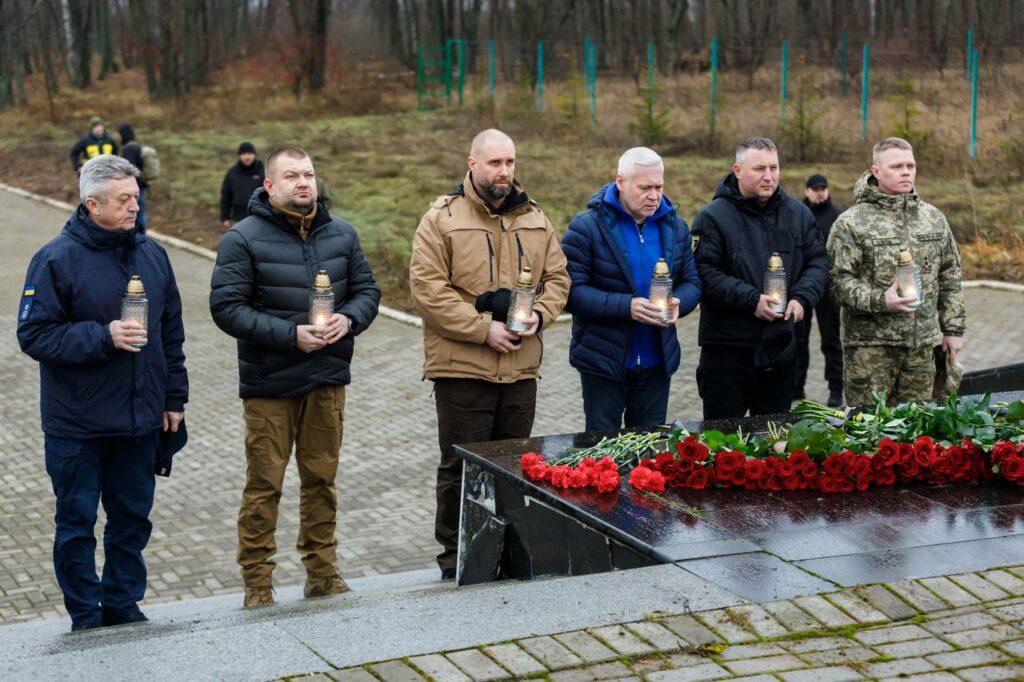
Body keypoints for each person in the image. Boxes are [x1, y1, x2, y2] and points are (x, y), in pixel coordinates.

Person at [17, 155, 188, 632]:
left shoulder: (153, 255)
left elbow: (171, 333)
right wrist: (103, 336)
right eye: (124, 199)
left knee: (132, 521)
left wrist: (175, 399)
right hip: (77, 426)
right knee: (76, 525)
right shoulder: (54, 259)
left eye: (136, 197)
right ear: (92, 204)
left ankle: (123, 605)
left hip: (139, 420)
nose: (136, 205)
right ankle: (85, 616)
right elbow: (33, 335)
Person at [210, 145, 380, 608]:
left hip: (327, 378)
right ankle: (258, 583)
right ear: (269, 186)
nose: (304, 183)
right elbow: (226, 309)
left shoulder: (341, 234)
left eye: (308, 174)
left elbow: (367, 290)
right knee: (264, 485)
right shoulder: (242, 239)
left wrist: (351, 319)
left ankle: (323, 574)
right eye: (291, 176)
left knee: (321, 480)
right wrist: (290, 336)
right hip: (271, 384)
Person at [409, 129, 570, 581]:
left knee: (515, 466)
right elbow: (428, 290)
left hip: (521, 369)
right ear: (472, 163)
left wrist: (539, 315)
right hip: (463, 367)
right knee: (461, 468)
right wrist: (484, 330)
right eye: (495, 163)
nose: (504, 172)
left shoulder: (535, 218)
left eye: (510, 163)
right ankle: (457, 559)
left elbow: (558, 279)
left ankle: (511, 556)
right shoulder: (440, 219)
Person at [561, 147, 701, 431]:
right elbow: (571, 293)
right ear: (621, 182)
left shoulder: (676, 227)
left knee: (648, 456)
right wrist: (627, 307)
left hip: (657, 362)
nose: (654, 195)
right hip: (603, 362)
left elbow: (693, 283)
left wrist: (679, 303)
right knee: (603, 454)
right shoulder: (586, 227)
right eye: (645, 187)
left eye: (659, 186)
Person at [691, 137, 829, 419]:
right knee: (724, 445)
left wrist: (802, 298)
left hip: (781, 348)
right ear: (738, 170)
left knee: (774, 444)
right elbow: (705, 272)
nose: (768, 176)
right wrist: (751, 300)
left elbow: (818, 262)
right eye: (759, 169)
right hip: (727, 352)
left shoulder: (798, 215)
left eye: (774, 168)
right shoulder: (712, 218)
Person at [827, 137, 966, 406]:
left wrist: (953, 329)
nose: (906, 171)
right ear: (876, 172)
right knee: (868, 431)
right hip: (871, 349)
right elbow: (837, 282)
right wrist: (882, 300)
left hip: (921, 348)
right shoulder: (852, 223)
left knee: (918, 434)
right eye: (897, 166)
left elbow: (950, 276)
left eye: (910, 165)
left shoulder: (933, 218)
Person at [795, 174, 845, 407]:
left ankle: (836, 388)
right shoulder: (796, 213)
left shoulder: (837, 215)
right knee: (798, 339)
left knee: (831, 340)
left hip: (827, 288)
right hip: (801, 287)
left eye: (823, 188)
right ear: (807, 190)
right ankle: (797, 387)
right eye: (815, 189)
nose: (819, 192)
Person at [220, 141, 266, 228]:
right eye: (244, 154)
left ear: (254, 154)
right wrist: (225, 217)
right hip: (238, 218)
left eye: (249, 153)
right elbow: (226, 195)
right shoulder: (232, 173)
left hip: (261, 216)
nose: (247, 157)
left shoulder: (264, 171)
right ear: (240, 155)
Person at [117, 124, 149, 229]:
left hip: (135, 188)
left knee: (136, 212)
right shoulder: (136, 146)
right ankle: (141, 234)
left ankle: (139, 235)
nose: (119, 137)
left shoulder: (129, 149)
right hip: (141, 186)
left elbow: (128, 170)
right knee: (140, 211)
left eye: (120, 135)